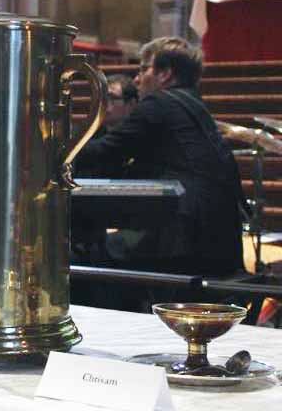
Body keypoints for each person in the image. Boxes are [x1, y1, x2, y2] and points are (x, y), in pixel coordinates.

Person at [75, 37, 245, 277]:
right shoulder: (194, 106)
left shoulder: (159, 103)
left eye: (144, 69)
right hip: (221, 240)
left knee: (85, 258)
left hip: (184, 240)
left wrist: (57, 152)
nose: (137, 78)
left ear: (165, 74)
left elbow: (107, 149)